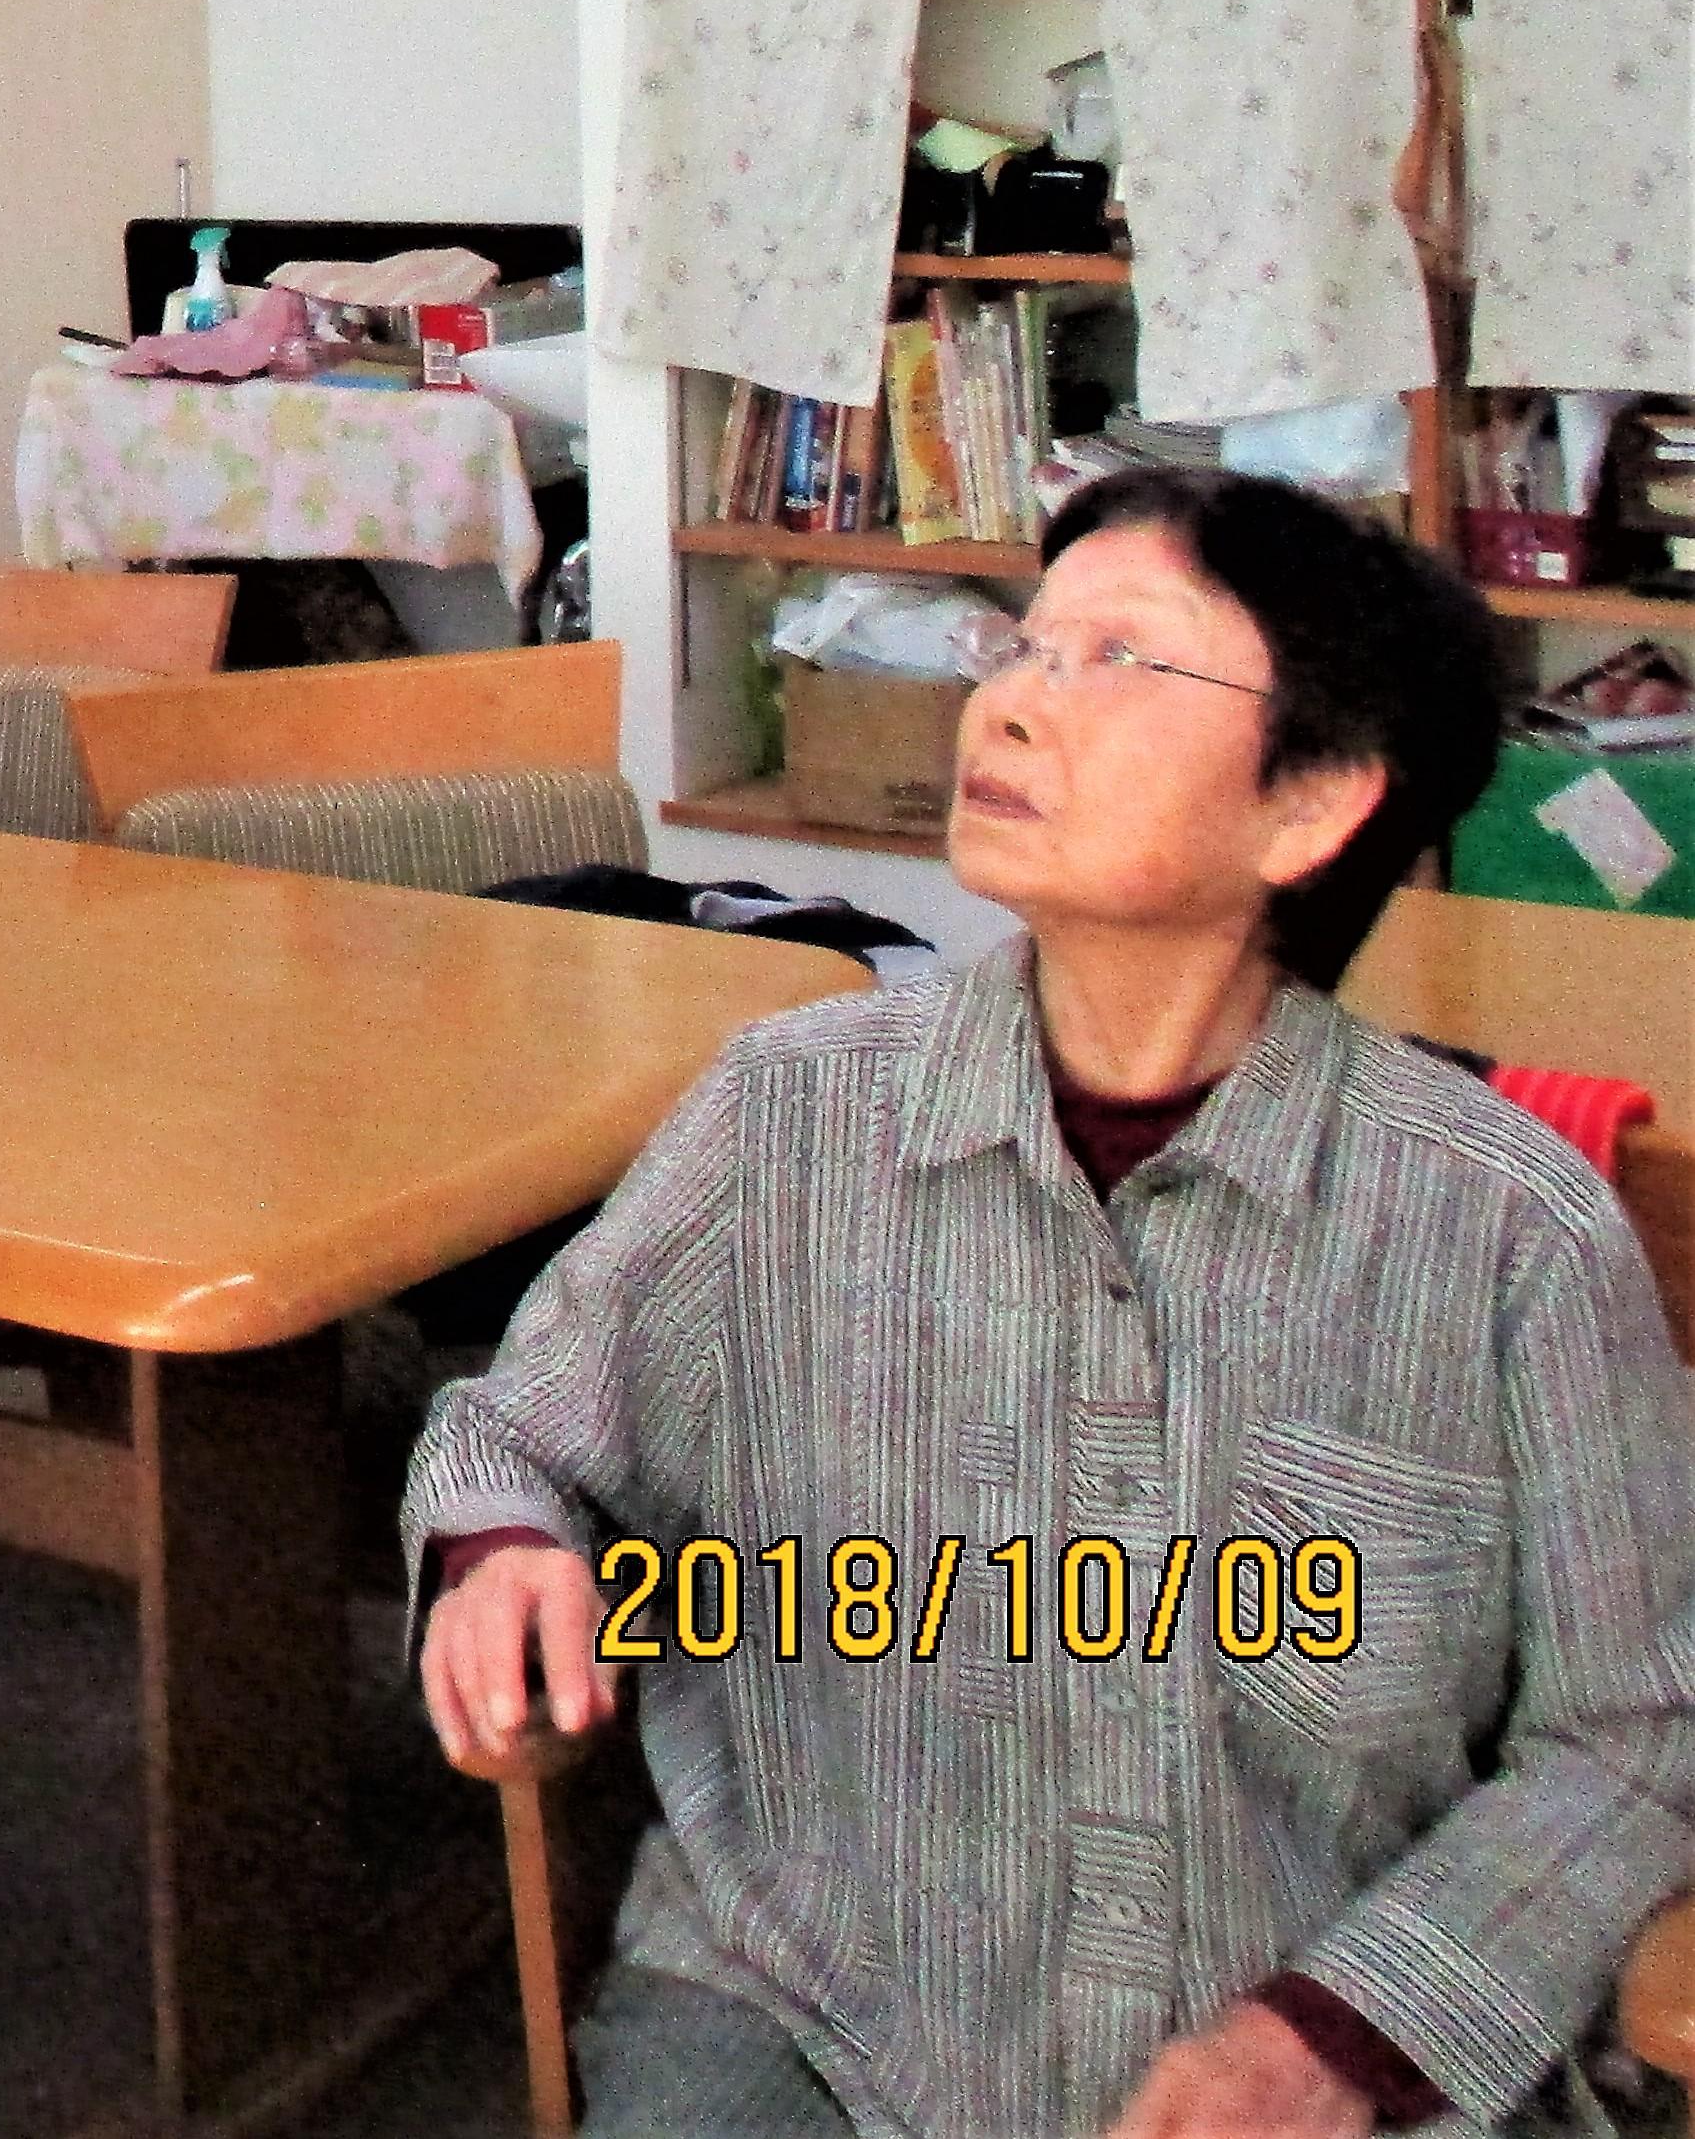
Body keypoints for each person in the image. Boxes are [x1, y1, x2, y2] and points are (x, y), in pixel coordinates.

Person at [406, 468, 1695, 2139]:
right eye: (1021, 646)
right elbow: (517, 1432)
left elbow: (1637, 1736)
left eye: (1118, 659)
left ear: (1310, 806)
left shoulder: (1510, 1230)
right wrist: (502, 1550)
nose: (1008, 701)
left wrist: (1342, 2036)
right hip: (814, 2015)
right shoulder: (784, 1115)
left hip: (1300, 2056)